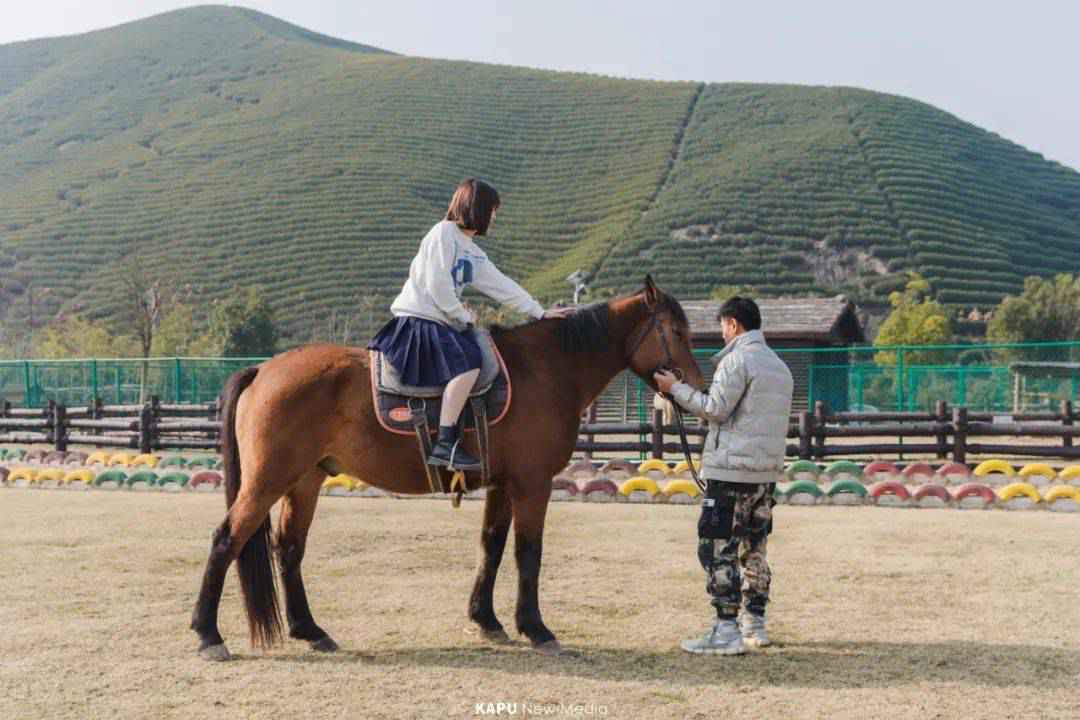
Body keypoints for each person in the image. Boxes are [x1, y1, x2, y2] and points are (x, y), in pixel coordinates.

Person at [369, 178, 572, 471]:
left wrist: (538, 312)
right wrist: (462, 316)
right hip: (420, 320)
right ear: (477, 208)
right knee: (466, 364)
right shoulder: (443, 234)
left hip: (441, 321)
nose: (493, 217)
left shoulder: (470, 249)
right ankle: (445, 443)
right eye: (492, 210)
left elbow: (500, 284)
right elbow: (436, 284)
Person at [654, 296, 793, 655]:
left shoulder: (737, 360)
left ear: (732, 324)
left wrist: (675, 390)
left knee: (717, 549)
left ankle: (726, 628)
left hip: (730, 473)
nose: (721, 334)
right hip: (764, 474)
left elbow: (715, 409)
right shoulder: (779, 366)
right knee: (755, 549)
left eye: (722, 327)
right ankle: (754, 622)